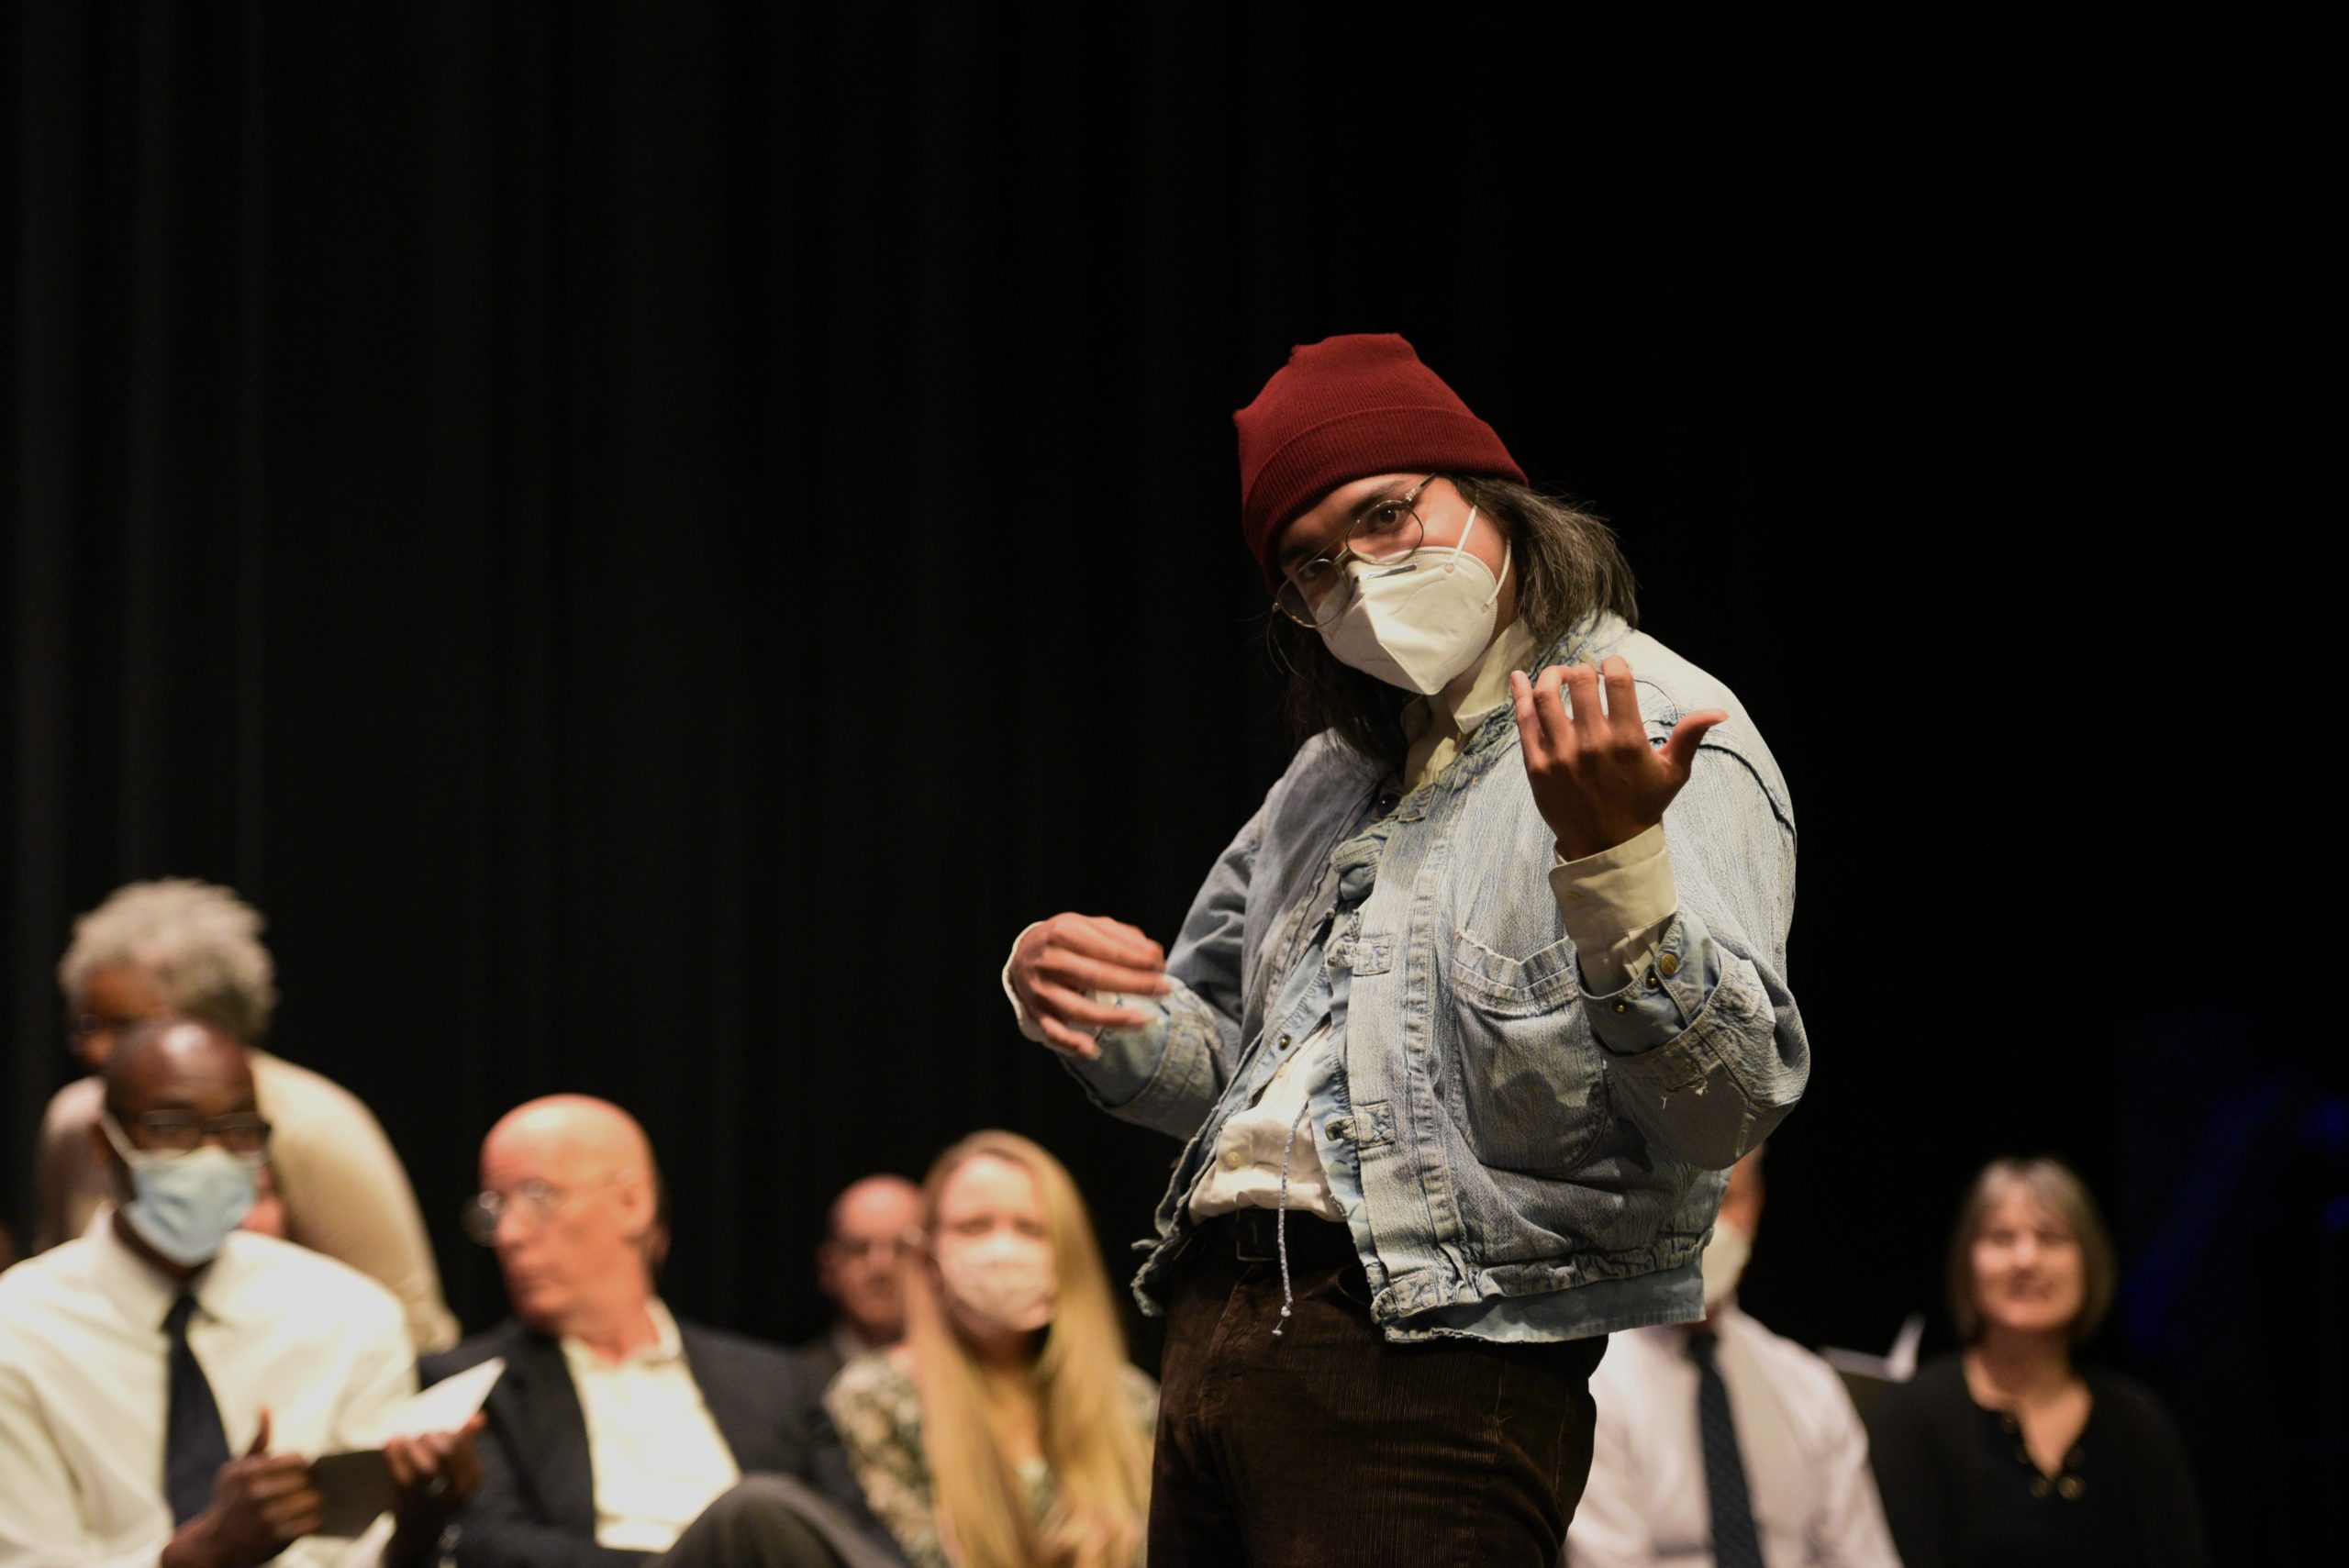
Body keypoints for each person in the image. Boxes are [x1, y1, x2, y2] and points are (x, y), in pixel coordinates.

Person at [1005, 332, 1808, 1564]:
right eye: (1315, 566)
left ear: (1490, 500)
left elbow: (1727, 1109)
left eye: (1387, 515)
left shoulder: (1646, 722)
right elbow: (1237, 1064)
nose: (1363, 578)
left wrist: (1616, 874)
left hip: (1428, 1355)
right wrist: (1100, 1014)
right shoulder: (1332, 776)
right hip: (1220, 1323)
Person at [0, 1018, 480, 1567]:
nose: (210, 1158)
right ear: (102, 1144)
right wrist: (204, 1554)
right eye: (173, 1128)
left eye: (239, 1132)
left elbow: (370, 1553)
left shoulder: (349, 1318)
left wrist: (418, 1530)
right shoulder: (17, 1330)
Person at [422, 1095, 904, 1568]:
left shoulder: (777, 1381)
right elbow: (499, 1550)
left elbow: (859, 1539)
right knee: (753, 1511)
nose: (509, 1234)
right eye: (495, 1210)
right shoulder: (473, 1387)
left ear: (632, 1202)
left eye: (537, 1197)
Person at [35, 878, 460, 1352]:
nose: (97, 1051)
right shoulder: (73, 1123)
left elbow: (412, 1326)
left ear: (214, 1022)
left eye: (128, 1026)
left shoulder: (311, 1124)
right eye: (87, 1026)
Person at [826, 1130, 1156, 1568]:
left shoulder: (1130, 1402)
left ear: (1067, 1255)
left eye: (1030, 1229)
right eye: (974, 1226)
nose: (1003, 1250)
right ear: (929, 1256)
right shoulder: (877, 1398)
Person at [1865, 1156, 2207, 1568]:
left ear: (2090, 1262)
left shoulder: (2137, 1422)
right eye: (2001, 1238)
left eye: (2051, 1238)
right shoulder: (1912, 1417)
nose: (2026, 1260)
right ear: (1967, 1262)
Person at [1567, 1147, 1899, 1567]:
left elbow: (1862, 1556)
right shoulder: (1595, 1387)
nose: (1706, 1227)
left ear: (1755, 1208)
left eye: (1726, 1199)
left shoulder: (1809, 1387)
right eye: (1685, 1200)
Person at [797, 1174, 924, 1386]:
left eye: (902, 1249)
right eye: (859, 1248)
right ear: (827, 1268)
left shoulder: (968, 1378)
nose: (881, 1267)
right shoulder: (792, 1386)